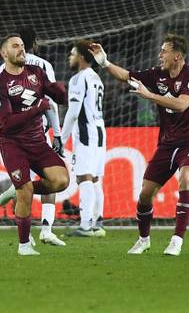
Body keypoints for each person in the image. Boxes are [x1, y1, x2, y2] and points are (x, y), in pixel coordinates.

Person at [90, 34, 189, 256]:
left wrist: (149, 95)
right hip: (168, 143)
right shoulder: (157, 75)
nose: (160, 54)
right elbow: (127, 76)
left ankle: (176, 241)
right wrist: (104, 62)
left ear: (177, 56)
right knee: (145, 194)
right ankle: (143, 240)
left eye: (164, 51)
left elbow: (182, 104)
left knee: (186, 178)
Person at [0, 34, 69, 255]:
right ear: (4, 53)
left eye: (23, 46)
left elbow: (54, 96)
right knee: (25, 193)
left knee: (61, 180)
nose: (21, 49)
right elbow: (6, 123)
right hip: (13, 144)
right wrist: (37, 109)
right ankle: (24, 245)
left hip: (37, 141)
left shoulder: (36, 72)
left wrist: (60, 92)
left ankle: (17, 189)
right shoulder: (0, 84)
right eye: (15, 46)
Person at [60, 40, 106, 238]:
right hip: (100, 131)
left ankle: (86, 226)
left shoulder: (78, 78)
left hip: (86, 132)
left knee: (83, 177)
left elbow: (73, 112)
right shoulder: (96, 77)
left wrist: (61, 139)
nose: (69, 57)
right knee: (95, 178)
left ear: (81, 56)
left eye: (72, 54)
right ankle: (97, 224)